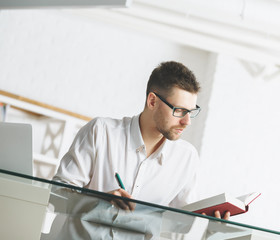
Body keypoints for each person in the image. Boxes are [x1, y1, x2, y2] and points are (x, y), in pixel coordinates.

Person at [53, 61, 230, 220]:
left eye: (191, 112)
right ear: (152, 101)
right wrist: (100, 200)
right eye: (179, 111)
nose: (187, 121)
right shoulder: (100, 131)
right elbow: (56, 196)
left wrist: (211, 227)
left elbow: (182, 225)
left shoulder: (187, 158)